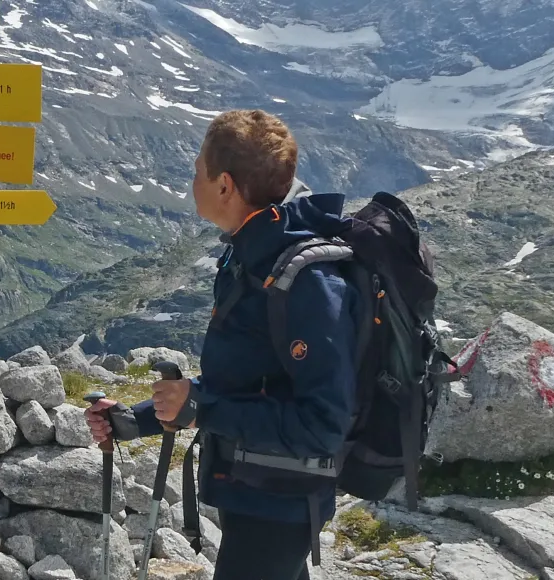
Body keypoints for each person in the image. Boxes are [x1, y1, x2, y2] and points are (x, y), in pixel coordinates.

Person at [88, 110, 359, 580]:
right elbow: (234, 386)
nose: (192, 182)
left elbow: (323, 425)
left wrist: (202, 411)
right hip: (257, 494)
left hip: (278, 505)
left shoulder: (306, 281)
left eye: (197, 172)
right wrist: (134, 420)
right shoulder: (252, 253)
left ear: (225, 185)